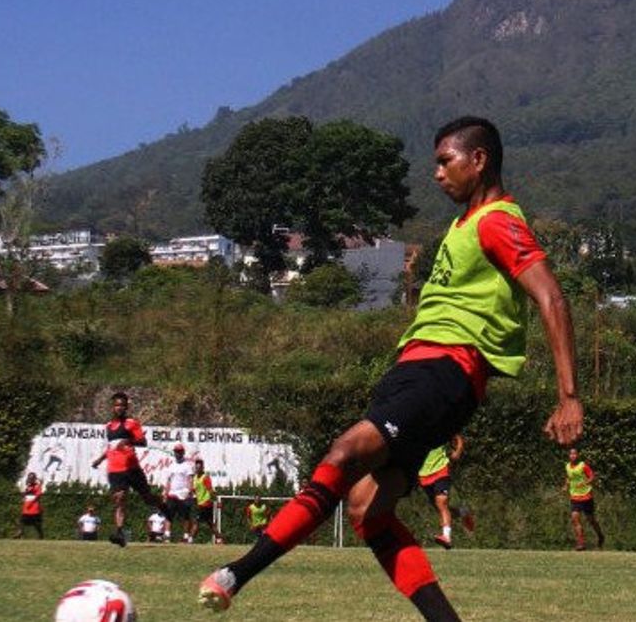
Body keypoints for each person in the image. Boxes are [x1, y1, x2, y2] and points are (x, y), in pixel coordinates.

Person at [199, 116, 582, 621]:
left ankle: (238, 572)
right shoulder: (464, 224)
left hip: (446, 371)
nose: (438, 174)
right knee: (365, 508)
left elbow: (551, 296)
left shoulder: (498, 221)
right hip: (415, 372)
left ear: (479, 160)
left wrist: (569, 395)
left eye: (446, 161)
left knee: (344, 452)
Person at [91, 391, 170, 547]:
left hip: (132, 468)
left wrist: (128, 441)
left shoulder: (131, 423)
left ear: (126, 407)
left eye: (122, 405)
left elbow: (142, 441)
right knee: (119, 499)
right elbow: (111, 448)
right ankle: (120, 533)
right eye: (116, 405)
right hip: (115, 469)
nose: (119, 408)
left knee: (148, 499)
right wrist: (99, 460)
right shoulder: (108, 427)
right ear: (112, 407)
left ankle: (162, 506)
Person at [418, 435, 475, 549]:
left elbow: (457, 437)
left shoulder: (440, 426)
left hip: (441, 470)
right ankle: (463, 512)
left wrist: (458, 451)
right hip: (423, 475)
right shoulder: (415, 428)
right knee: (442, 508)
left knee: (441, 502)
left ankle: (446, 537)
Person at [563, 448, 604, 551]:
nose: (573, 456)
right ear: (569, 456)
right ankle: (581, 543)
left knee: (591, 520)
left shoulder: (583, 466)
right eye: (571, 454)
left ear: (578, 455)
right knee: (575, 518)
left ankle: (600, 536)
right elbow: (568, 477)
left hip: (586, 496)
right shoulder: (567, 466)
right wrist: (565, 485)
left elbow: (592, 477)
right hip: (574, 497)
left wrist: (586, 482)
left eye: (575, 454)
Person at [165, 443, 197, 543]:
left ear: (183, 453)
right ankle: (167, 535)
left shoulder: (187, 466)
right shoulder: (171, 465)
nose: (178, 453)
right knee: (169, 514)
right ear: (174, 453)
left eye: (179, 451)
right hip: (172, 493)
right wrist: (165, 492)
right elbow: (169, 480)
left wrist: (189, 491)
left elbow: (190, 479)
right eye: (176, 451)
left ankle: (186, 536)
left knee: (185, 516)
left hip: (183, 493)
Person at [191, 458, 225, 544]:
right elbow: (194, 490)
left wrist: (217, 501)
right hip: (200, 503)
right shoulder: (195, 478)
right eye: (196, 467)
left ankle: (190, 539)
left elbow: (210, 490)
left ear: (202, 468)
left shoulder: (205, 477)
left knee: (196, 521)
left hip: (205, 503)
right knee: (210, 523)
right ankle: (219, 539)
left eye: (199, 467)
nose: (197, 469)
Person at [14, 472, 45, 539]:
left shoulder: (37, 486)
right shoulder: (28, 486)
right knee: (21, 520)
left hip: (34, 508)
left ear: (34, 479)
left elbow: (38, 495)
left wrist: (30, 502)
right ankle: (20, 532)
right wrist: (23, 497)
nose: (29, 480)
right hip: (26, 508)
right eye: (29, 478)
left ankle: (41, 536)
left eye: (31, 478)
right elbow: (25, 494)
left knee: (37, 524)